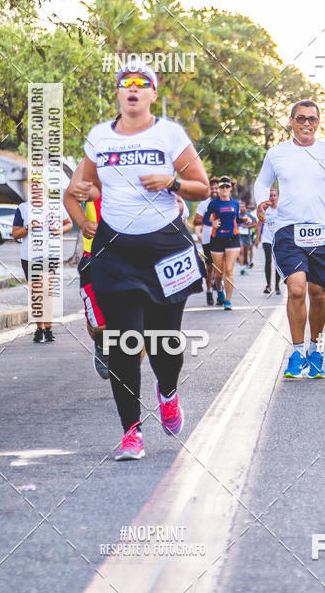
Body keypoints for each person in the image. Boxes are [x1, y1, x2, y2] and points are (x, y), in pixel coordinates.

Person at [82, 59, 209, 460]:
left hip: (165, 247)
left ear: (153, 94)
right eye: (125, 83)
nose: (132, 88)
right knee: (123, 341)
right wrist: (78, 211)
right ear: (118, 93)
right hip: (115, 251)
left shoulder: (169, 134)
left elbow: (201, 188)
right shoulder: (99, 137)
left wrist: (171, 181)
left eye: (142, 83)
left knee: (165, 343)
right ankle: (131, 432)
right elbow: (80, 186)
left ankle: (168, 393)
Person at [254, 100, 325, 379]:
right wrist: (261, 201)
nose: (306, 124)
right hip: (288, 230)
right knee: (296, 289)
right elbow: (262, 182)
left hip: (322, 230)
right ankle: (297, 353)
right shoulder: (277, 153)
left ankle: (315, 350)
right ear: (291, 120)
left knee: (319, 295)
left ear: (318, 122)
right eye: (301, 118)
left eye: (312, 119)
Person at [64, 162, 109, 377]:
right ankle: (102, 345)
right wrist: (82, 223)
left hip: (133, 258)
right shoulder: (93, 161)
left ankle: (129, 382)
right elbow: (70, 195)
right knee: (100, 328)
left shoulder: (147, 158)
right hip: (96, 257)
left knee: (136, 331)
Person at [12, 187, 72, 343]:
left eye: (40, 189)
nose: (37, 192)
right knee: (36, 293)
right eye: (33, 190)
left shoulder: (55, 206)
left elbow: (68, 224)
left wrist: (59, 229)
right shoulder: (23, 208)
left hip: (49, 254)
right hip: (29, 256)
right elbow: (15, 234)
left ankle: (49, 328)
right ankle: (40, 328)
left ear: (45, 191)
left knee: (46, 290)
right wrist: (27, 227)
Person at [203, 176, 244, 311]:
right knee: (219, 272)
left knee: (229, 270)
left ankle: (228, 300)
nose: (224, 189)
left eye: (227, 187)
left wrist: (245, 221)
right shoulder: (213, 203)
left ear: (231, 188)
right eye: (222, 187)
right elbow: (204, 219)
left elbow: (237, 219)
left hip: (233, 238)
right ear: (219, 189)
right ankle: (219, 290)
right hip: (217, 240)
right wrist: (212, 223)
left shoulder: (235, 203)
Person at [193, 177, 220, 305]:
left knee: (221, 268)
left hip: (222, 238)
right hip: (208, 239)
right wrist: (209, 220)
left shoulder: (225, 203)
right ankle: (209, 291)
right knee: (210, 268)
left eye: (216, 188)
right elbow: (196, 221)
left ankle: (221, 292)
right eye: (212, 188)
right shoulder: (204, 204)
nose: (214, 190)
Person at [255, 186, 281, 295]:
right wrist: (257, 238)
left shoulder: (281, 209)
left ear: (278, 197)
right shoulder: (265, 209)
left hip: (279, 239)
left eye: (274, 195)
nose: (273, 197)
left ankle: (277, 286)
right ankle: (268, 285)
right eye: (271, 195)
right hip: (267, 239)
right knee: (268, 261)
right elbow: (259, 223)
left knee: (277, 262)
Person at [239, 200, 257, 274]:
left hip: (247, 235)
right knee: (241, 251)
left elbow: (255, 224)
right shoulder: (236, 215)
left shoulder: (248, 215)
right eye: (240, 207)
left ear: (245, 207)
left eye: (243, 207)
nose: (241, 208)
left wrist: (246, 226)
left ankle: (246, 263)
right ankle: (242, 267)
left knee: (246, 252)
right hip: (238, 235)